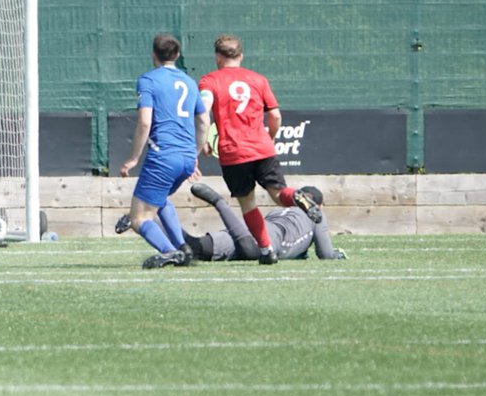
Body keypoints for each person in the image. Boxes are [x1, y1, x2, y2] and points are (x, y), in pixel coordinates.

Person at [198, 34, 320, 265]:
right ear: (241, 55)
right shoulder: (258, 80)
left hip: (233, 153)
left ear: (217, 57)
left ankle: (267, 250)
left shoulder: (209, 81)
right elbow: (275, 115)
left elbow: (203, 110)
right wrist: (269, 138)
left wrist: (202, 139)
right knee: (278, 194)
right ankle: (298, 196)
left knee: (248, 203)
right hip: (262, 148)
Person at [118, 33, 211, 269]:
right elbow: (203, 122)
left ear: (153, 55)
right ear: (177, 55)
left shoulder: (148, 81)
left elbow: (145, 122)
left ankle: (171, 251)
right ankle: (183, 248)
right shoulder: (190, 83)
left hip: (163, 157)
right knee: (159, 201)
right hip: (186, 158)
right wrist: (195, 154)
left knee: (140, 218)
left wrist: (133, 158)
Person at [182, 182, 346, 261]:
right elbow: (325, 254)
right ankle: (219, 202)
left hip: (252, 227)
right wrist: (336, 256)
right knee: (251, 251)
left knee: (193, 248)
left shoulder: (280, 210)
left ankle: (160, 218)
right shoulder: (316, 214)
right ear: (319, 205)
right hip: (270, 238)